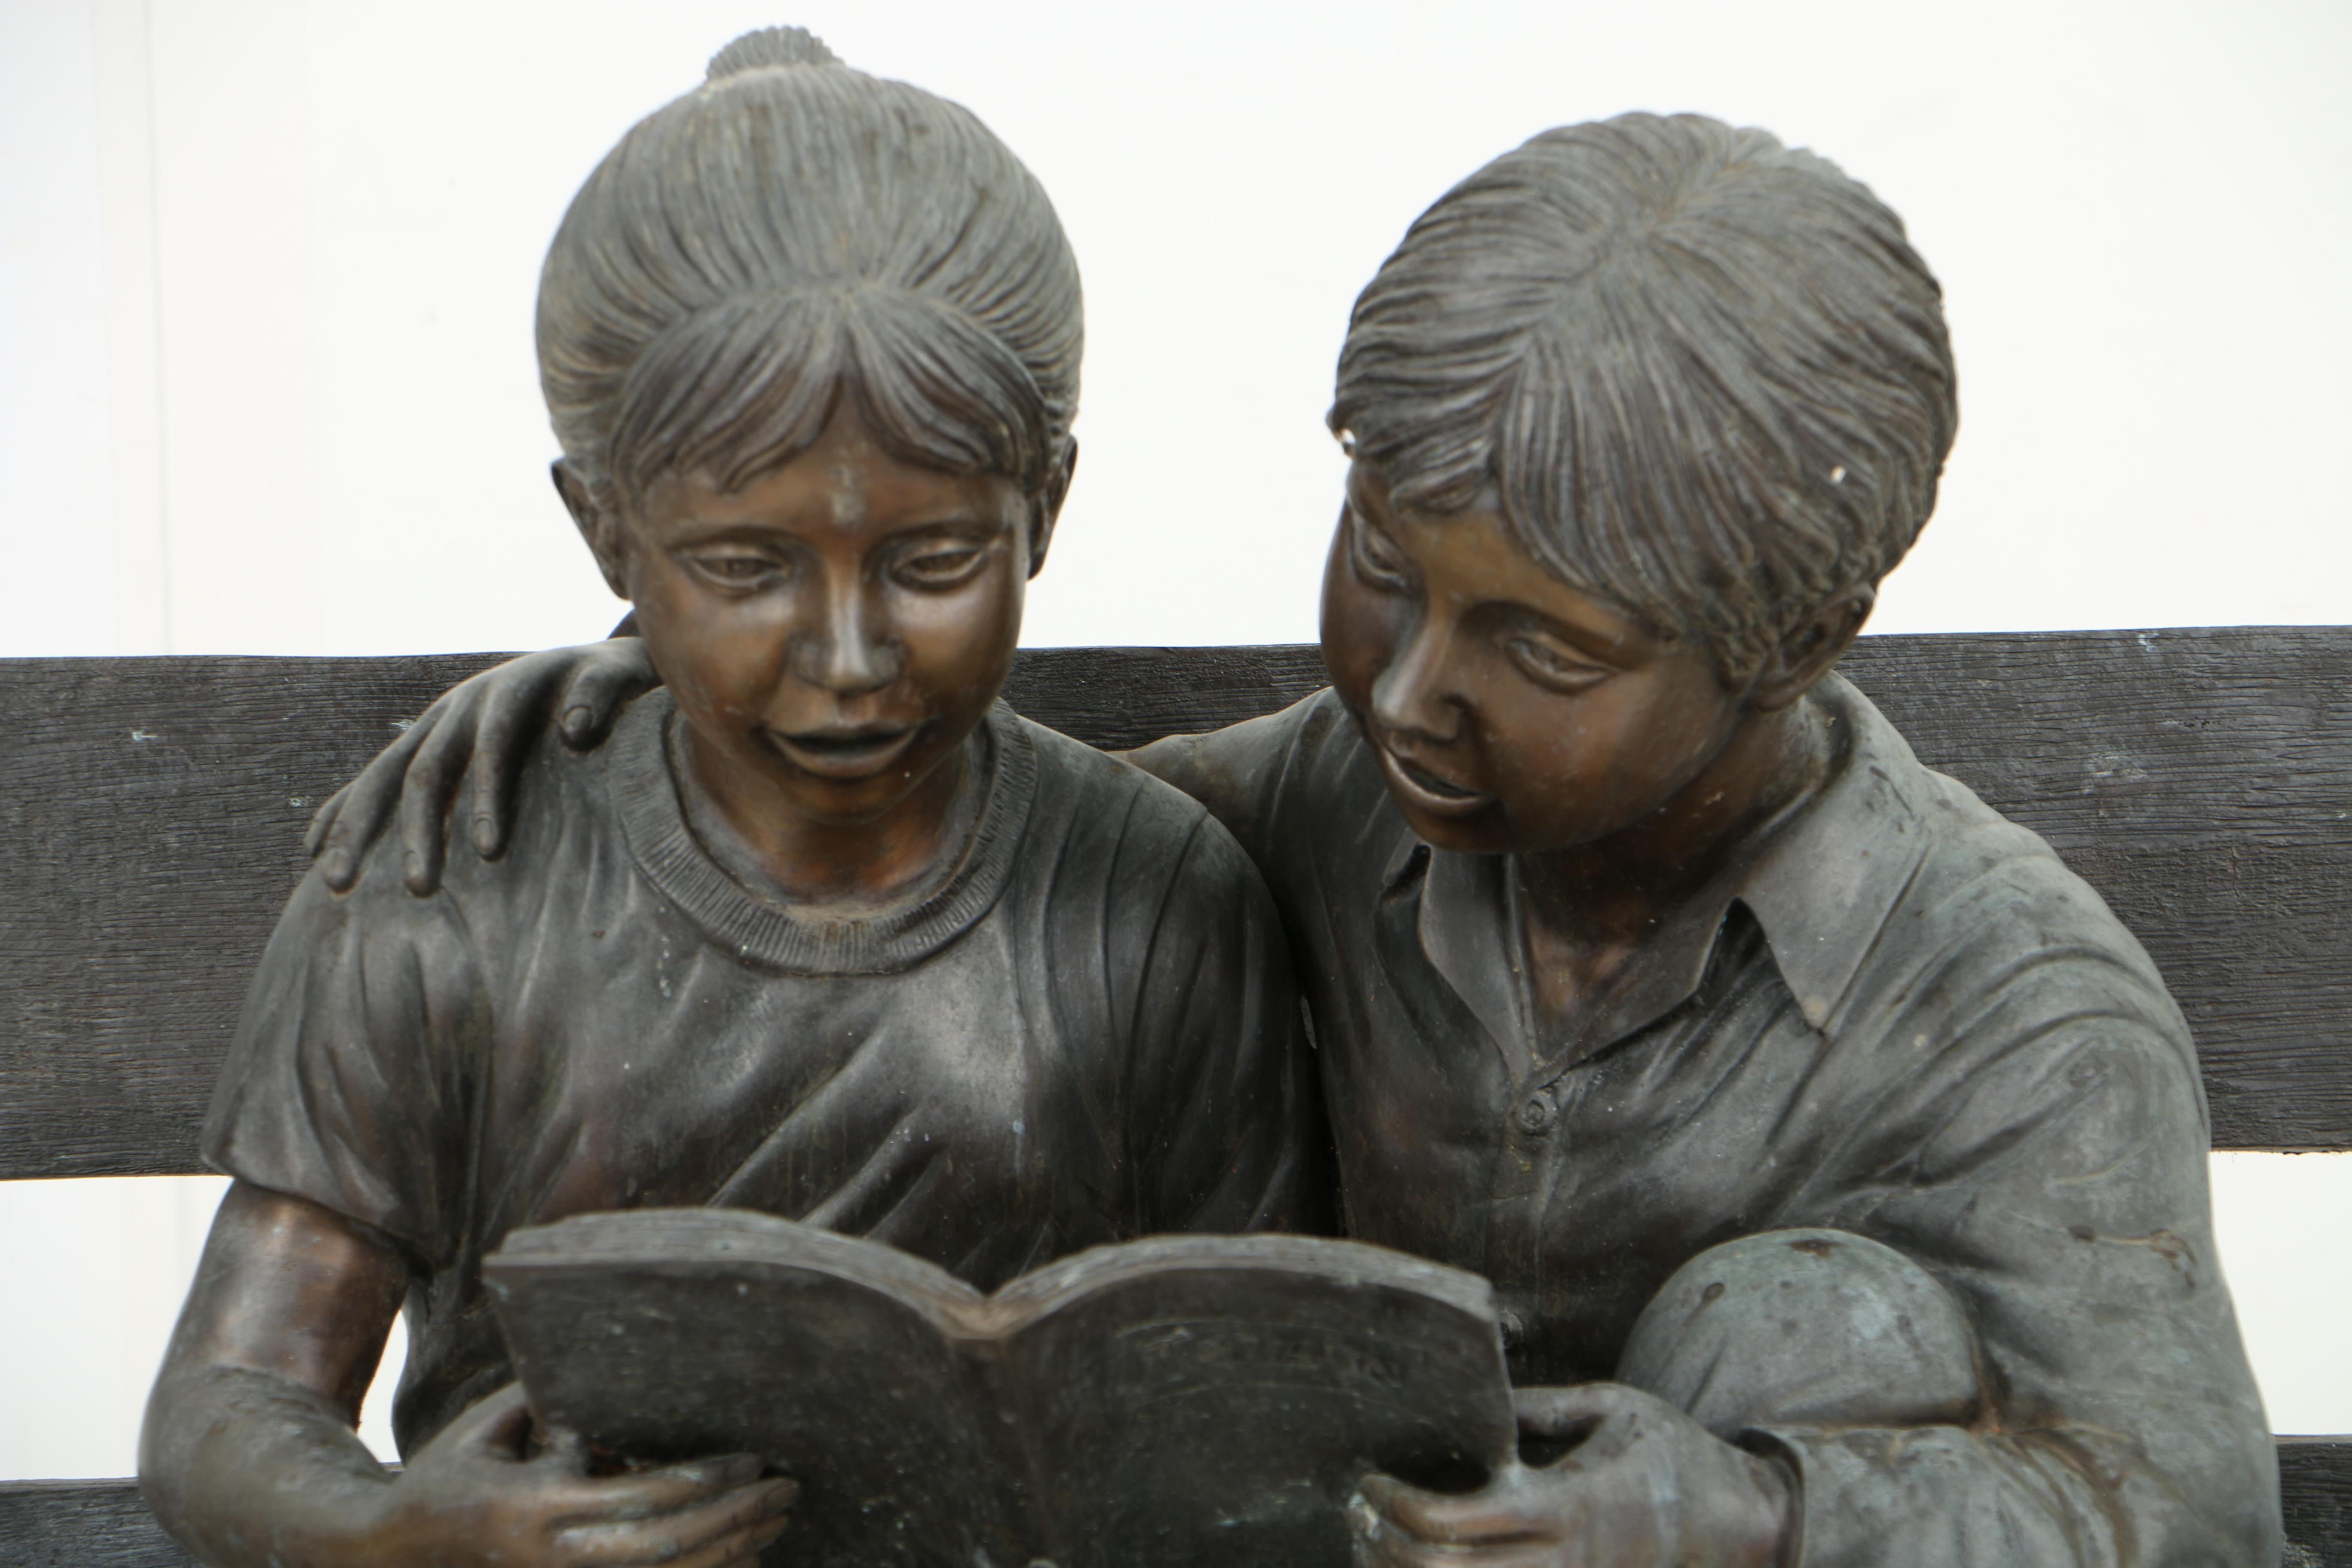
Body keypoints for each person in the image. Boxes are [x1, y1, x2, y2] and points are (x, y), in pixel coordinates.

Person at [320, 114, 2280, 1563]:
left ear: (1800, 646)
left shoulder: (2015, 1015)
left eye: (1541, 646)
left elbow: (2178, 1505)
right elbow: (944, 799)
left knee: (1814, 1328)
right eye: (1381, 571)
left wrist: (1743, 1515)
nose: (1414, 688)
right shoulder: (1338, 795)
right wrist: (639, 694)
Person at [139, 29, 1325, 1568]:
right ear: (606, 535)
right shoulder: (455, 876)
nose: (847, 657)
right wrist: (395, 1536)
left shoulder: (1157, 906)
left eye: (933, 562)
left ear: (1049, 509)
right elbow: (230, 1397)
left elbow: (1264, 1398)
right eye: (746, 569)